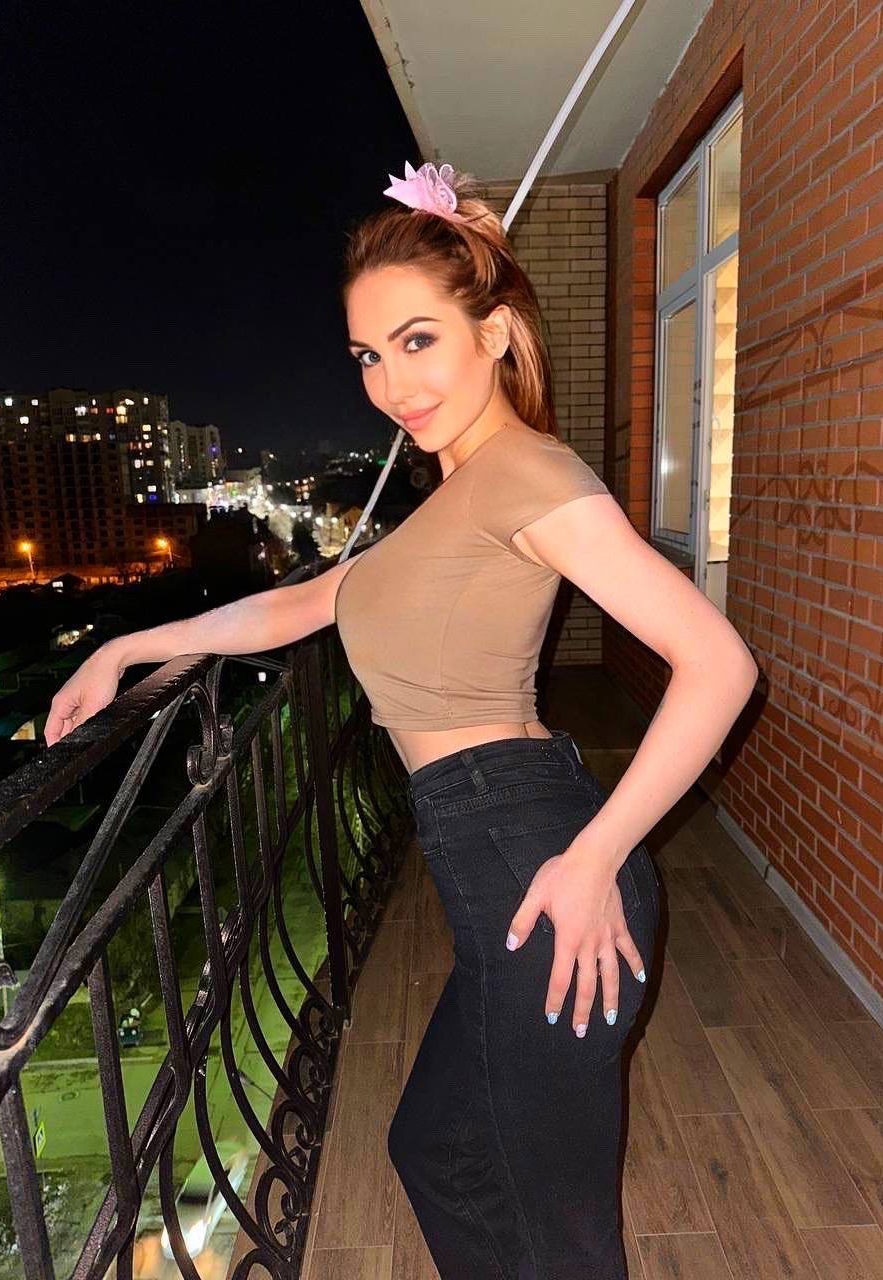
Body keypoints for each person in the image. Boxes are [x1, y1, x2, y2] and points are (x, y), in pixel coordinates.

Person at [45, 161, 758, 1278]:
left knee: (562, 1232)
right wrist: (128, 645)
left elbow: (718, 662)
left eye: (417, 340)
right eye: (369, 355)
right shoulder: (452, 493)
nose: (390, 383)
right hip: (489, 849)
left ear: (495, 332)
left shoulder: (528, 474)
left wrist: (594, 855)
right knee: (437, 1150)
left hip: (540, 859)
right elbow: (302, 604)